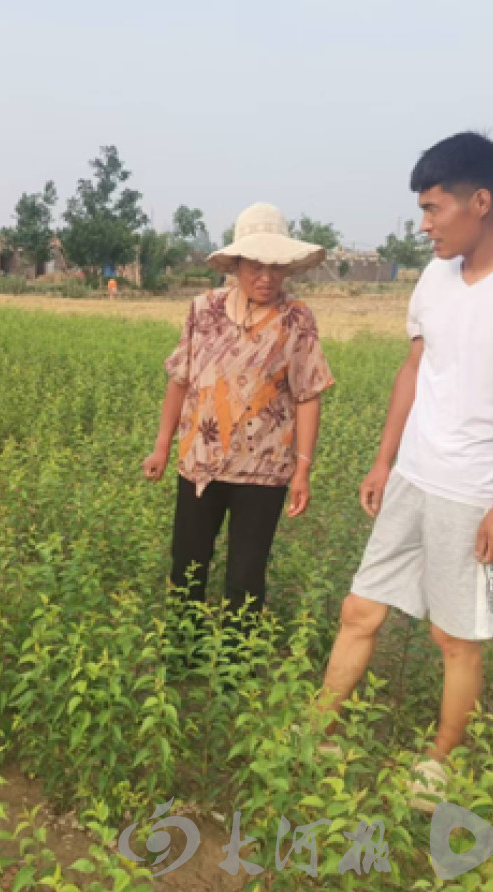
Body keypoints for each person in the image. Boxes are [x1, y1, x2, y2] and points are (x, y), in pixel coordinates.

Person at [313, 133, 493, 811]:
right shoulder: (433, 277)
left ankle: (438, 764)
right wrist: (384, 459)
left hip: (475, 492)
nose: (423, 225)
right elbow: (414, 369)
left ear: (480, 202)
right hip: (413, 478)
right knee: (360, 609)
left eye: (433, 209)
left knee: (453, 637)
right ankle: (318, 733)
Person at [143, 202, 335, 657]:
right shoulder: (202, 310)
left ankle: (234, 668)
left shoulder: (297, 320)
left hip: (264, 471)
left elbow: (308, 394)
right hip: (199, 465)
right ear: (237, 264)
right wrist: (160, 447)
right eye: (255, 265)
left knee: (246, 575)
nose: (265, 276)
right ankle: (182, 655)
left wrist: (303, 470)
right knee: (188, 564)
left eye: (275, 266)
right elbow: (180, 379)